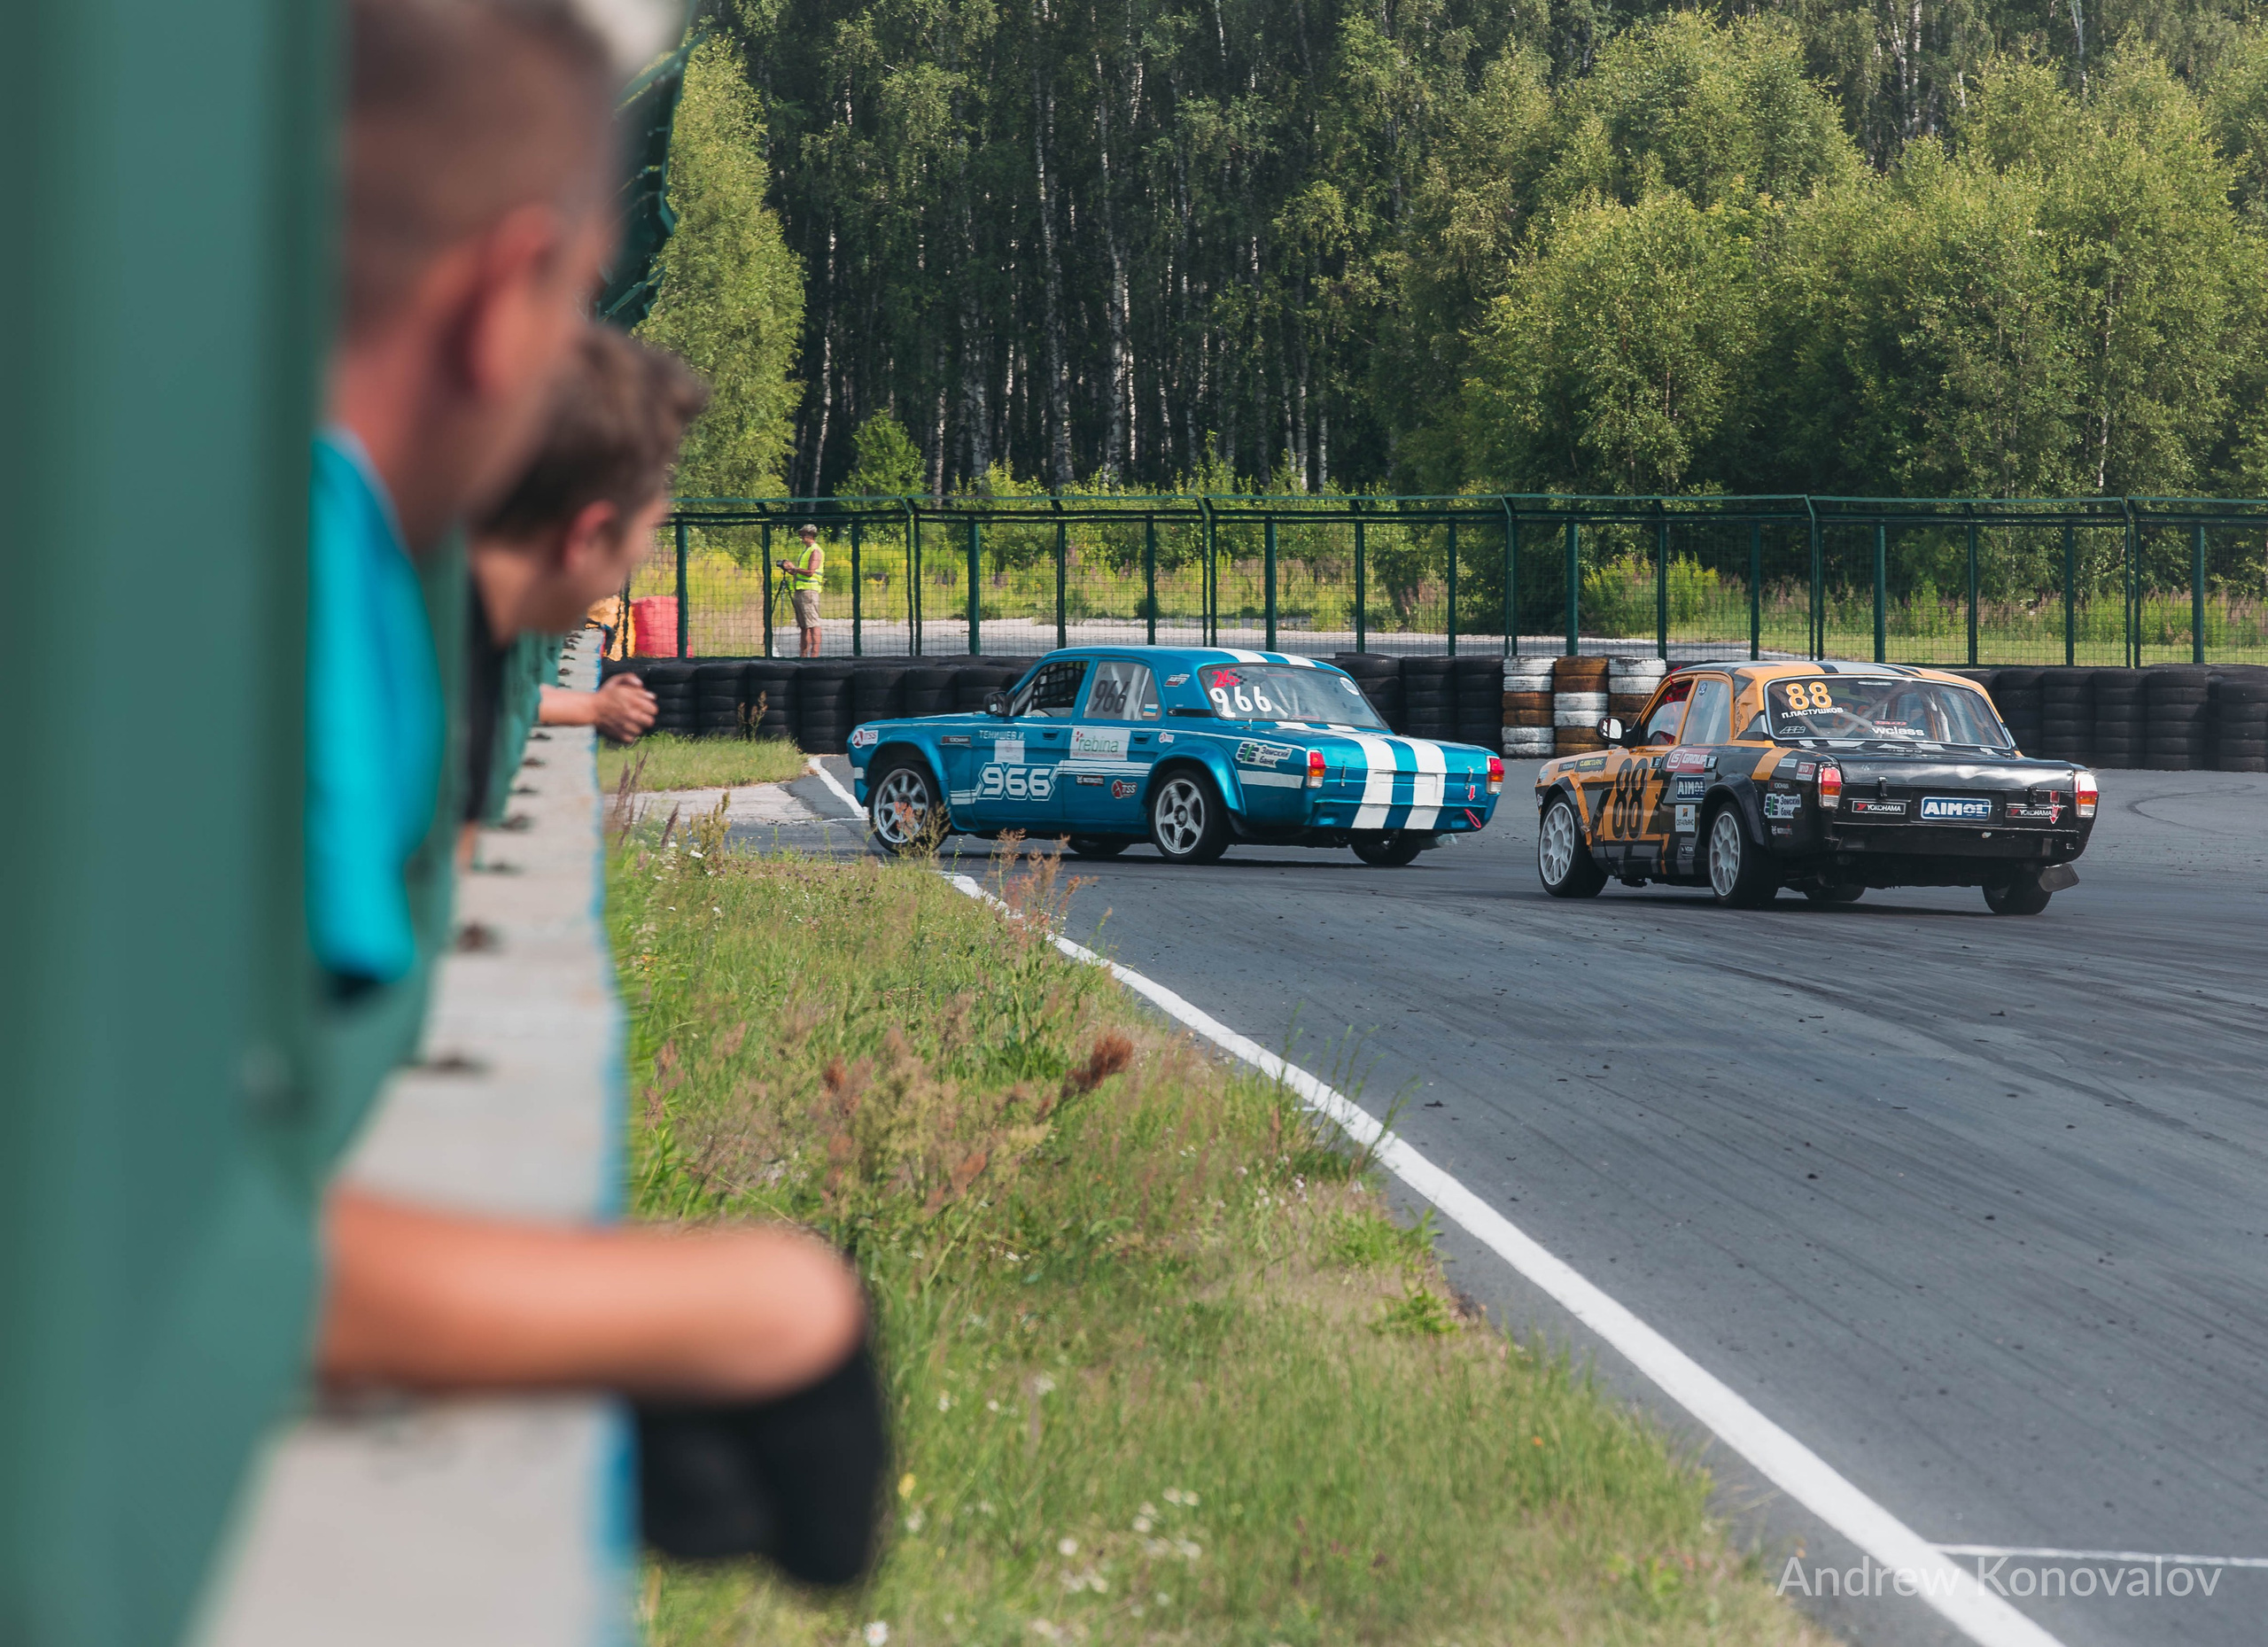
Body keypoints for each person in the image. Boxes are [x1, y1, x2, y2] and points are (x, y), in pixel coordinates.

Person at [309, 0, 870, 1454]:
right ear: (510, 301)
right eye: (583, 298)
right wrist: (729, 1306)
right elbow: (160, 1227)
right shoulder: (318, 586)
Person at [463, 325, 705, 829]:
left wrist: (592, 706)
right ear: (588, 537)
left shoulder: (462, 626)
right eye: (646, 531)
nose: (642, 555)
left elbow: (514, 692)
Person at [778, 522, 824, 656]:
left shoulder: (815, 551)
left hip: (809, 591)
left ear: (811, 535)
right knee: (804, 626)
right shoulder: (805, 551)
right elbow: (799, 572)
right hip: (800, 590)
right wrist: (789, 569)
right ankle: (803, 655)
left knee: (813, 624)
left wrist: (794, 568)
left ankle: (814, 656)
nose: (801, 537)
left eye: (803, 534)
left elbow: (810, 572)